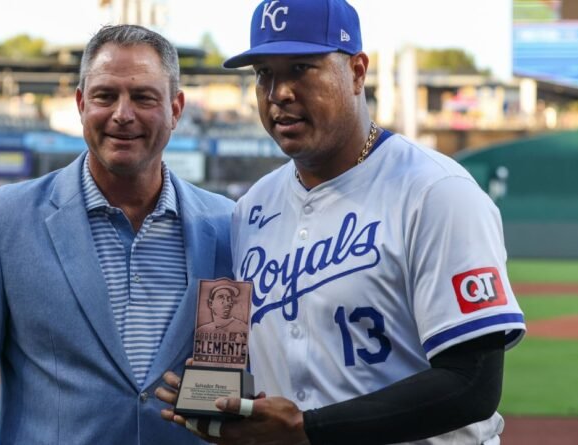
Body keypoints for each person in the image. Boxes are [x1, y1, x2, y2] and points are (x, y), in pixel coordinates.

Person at [156, 1, 526, 444]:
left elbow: (473, 384)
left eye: (301, 68)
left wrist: (311, 431)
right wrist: (217, 401)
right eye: (264, 74)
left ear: (356, 71)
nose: (279, 93)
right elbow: (238, 359)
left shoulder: (436, 191)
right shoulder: (252, 207)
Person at [0, 24, 233, 444]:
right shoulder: (1, 220)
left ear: (176, 108)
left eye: (144, 97)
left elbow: (228, 372)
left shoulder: (227, 224)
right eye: (105, 95)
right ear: (80, 103)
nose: (122, 114)